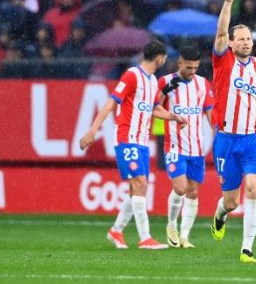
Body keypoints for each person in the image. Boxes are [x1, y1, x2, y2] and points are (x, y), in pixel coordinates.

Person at [79, 39, 187, 250]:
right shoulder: (131, 75)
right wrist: (93, 130)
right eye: (164, 58)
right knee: (141, 184)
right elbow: (112, 102)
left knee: (135, 188)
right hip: (126, 138)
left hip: (142, 141)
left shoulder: (153, 81)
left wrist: (174, 117)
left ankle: (116, 231)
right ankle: (145, 237)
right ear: (160, 58)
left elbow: (154, 109)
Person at [209, 0, 256, 263]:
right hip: (227, 139)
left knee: (253, 188)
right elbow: (219, 33)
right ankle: (219, 215)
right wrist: (228, 3)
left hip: (253, 138)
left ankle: (247, 248)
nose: (246, 43)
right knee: (231, 201)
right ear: (231, 43)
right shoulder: (223, 62)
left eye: (249, 38)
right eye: (240, 39)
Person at [156, 46, 215, 249]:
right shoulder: (166, 82)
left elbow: (210, 113)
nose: (192, 71)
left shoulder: (202, 84)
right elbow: (153, 109)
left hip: (196, 148)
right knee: (180, 188)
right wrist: (172, 114)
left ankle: (184, 236)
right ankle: (171, 225)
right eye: (189, 67)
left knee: (193, 193)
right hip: (174, 145)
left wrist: (219, 139)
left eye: (196, 67)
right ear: (180, 62)